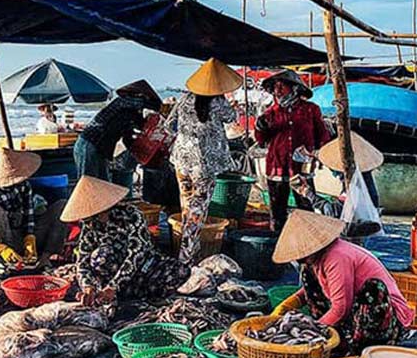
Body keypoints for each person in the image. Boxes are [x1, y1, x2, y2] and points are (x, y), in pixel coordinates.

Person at [270, 210, 413, 355]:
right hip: (353, 311)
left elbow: (341, 308)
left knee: (373, 288)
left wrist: (312, 331)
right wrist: (292, 302)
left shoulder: (337, 256)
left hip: (383, 317)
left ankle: (355, 346)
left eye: (302, 256)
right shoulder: (317, 259)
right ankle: (337, 335)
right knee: (307, 274)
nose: (301, 260)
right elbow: (314, 287)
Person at [61, 176, 190, 314]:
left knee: (181, 270)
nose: (90, 221)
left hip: (142, 269)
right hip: (109, 275)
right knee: (102, 257)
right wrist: (88, 286)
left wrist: (114, 286)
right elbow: (82, 260)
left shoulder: (132, 215)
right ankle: (111, 296)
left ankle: (134, 295)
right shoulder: (90, 224)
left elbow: (138, 253)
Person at [168, 58, 240, 264]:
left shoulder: (183, 99)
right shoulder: (217, 102)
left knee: (187, 206)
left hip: (181, 161)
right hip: (203, 166)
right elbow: (231, 117)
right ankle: (187, 257)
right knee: (197, 211)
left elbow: (169, 124)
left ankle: (186, 249)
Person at [0, 148, 66, 269]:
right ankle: (1, 261)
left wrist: (30, 238)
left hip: (21, 238)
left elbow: (29, 218)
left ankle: (46, 257)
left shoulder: (24, 185)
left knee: (62, 206)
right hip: (3, 243)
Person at [255, 70, 330, 232]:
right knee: (277, 212)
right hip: (277, 165)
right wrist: (259, 128)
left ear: (295, 88)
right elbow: (261, 140)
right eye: (275, 87)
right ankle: (277, 244)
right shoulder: (270, 113)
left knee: (306, 207)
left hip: (301, 168)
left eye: (282, 86)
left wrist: (323, 155)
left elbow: (322, 135)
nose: (278, 90)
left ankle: (310, 244)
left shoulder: (311, 110)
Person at [73, 80, 162, 182]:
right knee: (88, 183)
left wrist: (141, 149)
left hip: (100, 150)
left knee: (103, 184)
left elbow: (129, 137)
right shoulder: (121, 102)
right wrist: (159, 105)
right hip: (89, 144)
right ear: (137, 95)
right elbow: (149, 104)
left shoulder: (130, 115)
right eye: (143, 97)